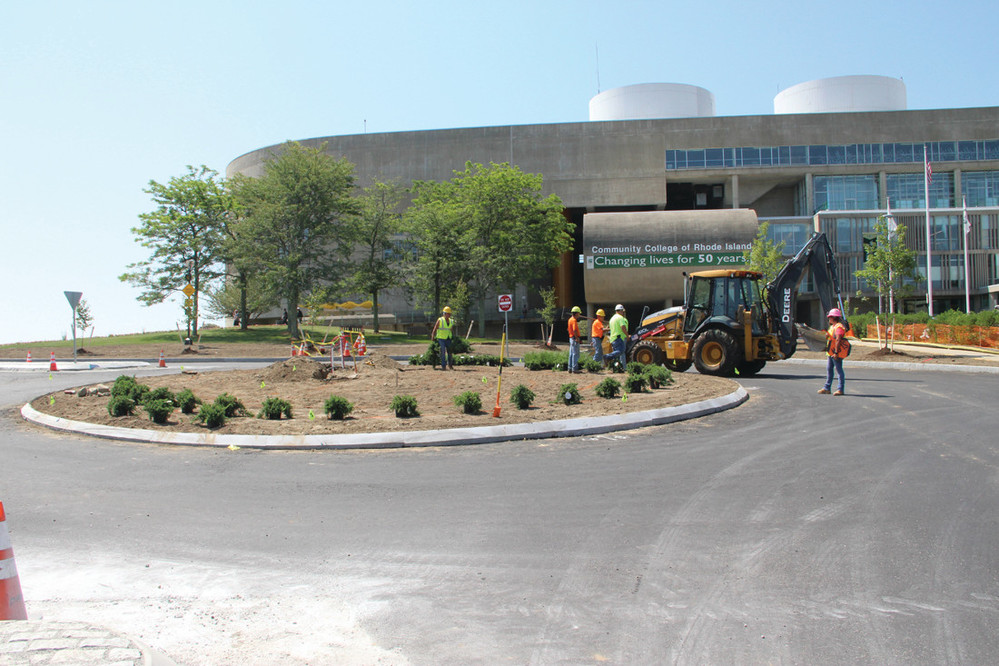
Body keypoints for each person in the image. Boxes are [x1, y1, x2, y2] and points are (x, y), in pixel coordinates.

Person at [818, 308, 847, 396]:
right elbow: (832, 338)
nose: (829, 319)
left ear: (833, 317)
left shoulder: (839, 327)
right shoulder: (833, 327)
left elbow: (838, 339)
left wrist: (836, 353)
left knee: (839, 370)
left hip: (835, 352)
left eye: (830, 317)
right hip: (831, 352)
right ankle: (827, 388)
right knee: (829, 369)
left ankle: (840, 389)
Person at [430, 306, 456, 370]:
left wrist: (453, 337)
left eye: (450, 313)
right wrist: (433, 336)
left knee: (450, 352)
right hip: (441, 338)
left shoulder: (451, 321)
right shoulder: (440, 320)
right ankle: (443, 366)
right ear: (444, 313)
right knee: (443, 352)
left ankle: (450, 365)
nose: (449, 315)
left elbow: (451, 330)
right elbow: (435, 328)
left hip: (448, 338)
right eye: (448, 313)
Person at [605, 304, 628, 372]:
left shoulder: (612, 319)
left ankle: (616, 368)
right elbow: (623, 327)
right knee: (621, 351)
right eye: (622, 311)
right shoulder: (620, 318)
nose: (623, 312)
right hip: (619, 338)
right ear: (620, 311)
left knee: (616, 355)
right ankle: (608, 357)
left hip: (613, 338)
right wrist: (627, 335)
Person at [567, 306, 582, 373]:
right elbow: (574, 330)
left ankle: (570, 368)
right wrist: (577, 338)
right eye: (579, 313)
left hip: (571, 338)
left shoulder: (570, 319)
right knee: (575, 354)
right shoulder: (574, 320)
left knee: (571, 353)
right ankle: (575, 369)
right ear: (576, 313)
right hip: (574, 338)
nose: (579, 315)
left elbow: (568, 329)